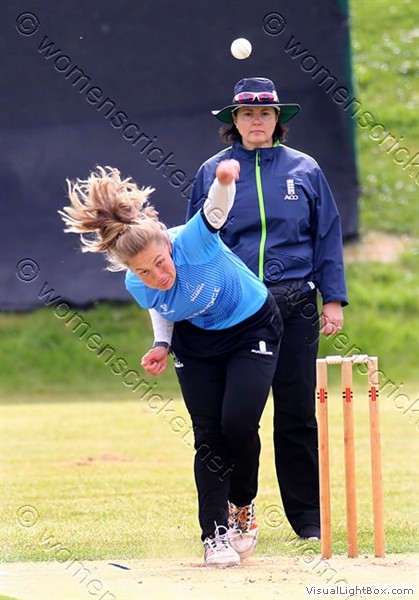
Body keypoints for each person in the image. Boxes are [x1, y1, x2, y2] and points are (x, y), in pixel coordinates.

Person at [59, 160, 283, 567]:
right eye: (144, 271)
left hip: (252, 325)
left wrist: (224, 180)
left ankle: (242, 504)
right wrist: (162, 343)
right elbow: (162, 305)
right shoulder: (138, 283)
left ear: (167, 243)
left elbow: (216, 209)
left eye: (160, 262)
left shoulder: (193, 242)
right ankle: (214, 536)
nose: (157, 275)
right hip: (196, 340)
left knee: (237, 423)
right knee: (208, 435)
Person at [187, 77, 348, 541]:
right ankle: (240, 506)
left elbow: (326, 235)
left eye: (265, 113)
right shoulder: (213, 172)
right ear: (234, 122)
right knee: (236, 418)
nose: (256, 121)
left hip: (296, 303)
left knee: (297, 413)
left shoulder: (305, 169)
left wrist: (332, 298)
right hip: (235, 308)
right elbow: (196, 242)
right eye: (247, 114)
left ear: (278, 120)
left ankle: (308, 518)